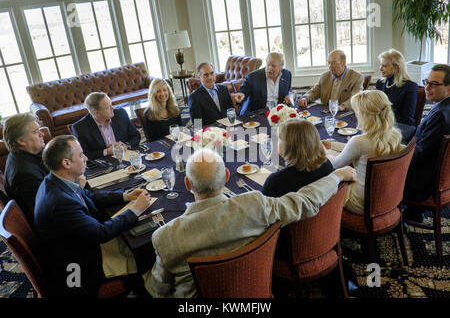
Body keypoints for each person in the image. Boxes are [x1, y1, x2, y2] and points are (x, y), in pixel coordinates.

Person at [144, 148, 356, 298]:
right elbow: (305, 201)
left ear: (187, 184)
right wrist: (336, 176)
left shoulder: (165, 237)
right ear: (227, 176)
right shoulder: (255, 205)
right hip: (255, 289)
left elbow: (158, 290)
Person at [34, 135, 152, 297]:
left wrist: (126, 196)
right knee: (145, 251)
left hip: (77, 244)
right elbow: (101, 233)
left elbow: (89, 195)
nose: (86, 158)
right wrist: (135, 210)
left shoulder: (55, 180)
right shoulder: (60, 203)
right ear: (66, 163)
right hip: (80, 266)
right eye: (81, 155)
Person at [261, 118, 334, 260]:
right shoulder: (327, 165)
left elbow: (263, 222)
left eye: (279, 139)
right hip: (325, 234)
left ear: (289, 146)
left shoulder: (277, 182)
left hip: (290, 248)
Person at [322, 90, 403, 215]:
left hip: (362, 202)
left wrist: (326, 153)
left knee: (324, 182)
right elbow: (359, 148)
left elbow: (335, 165)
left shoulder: (359, 142)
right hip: (388, 197)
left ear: (365, 116)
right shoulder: (395, 135)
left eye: (357, 112)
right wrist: (333, 145)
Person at [404, 64, 450, 221]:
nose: (427, 87)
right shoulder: (444, 107)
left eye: (434, 84)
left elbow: (421, 154)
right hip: (438, 176)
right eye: (426, 82)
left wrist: (395, 162)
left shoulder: (441, 115)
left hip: (422, 184)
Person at [3, 113, 49, 227]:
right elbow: (46, 214)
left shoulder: (22, 155)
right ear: (21, 141)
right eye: (35, 132)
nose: (42, 134)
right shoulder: (24, 175)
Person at [72, 92, 141, 160]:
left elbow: (136, 136)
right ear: (96, 113)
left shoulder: (120, 114)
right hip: (104, 163)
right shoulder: (80, 128)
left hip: (126, 156)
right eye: (107, 107)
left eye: (111, 104)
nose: (113, 108)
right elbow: (84, 155)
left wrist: (126, 145)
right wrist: (107, 151)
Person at [299, 50, 364, 111]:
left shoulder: (357, 77)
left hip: (344, 113)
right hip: (326, 112)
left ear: (344, 63)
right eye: (329, 63)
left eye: (334, 63)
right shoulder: (324, 76)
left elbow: (356, 98)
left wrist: (343, 106)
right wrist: (305, 98)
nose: (330, 66)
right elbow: (314, 92)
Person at [376, 49, 418, 126]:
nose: (380, 68)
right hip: (382, 124)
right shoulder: (380, 83)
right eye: (381, 64)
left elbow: (407, 119)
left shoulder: (410, 87)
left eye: (384, 66)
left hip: (401, 127)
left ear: (396, 67)